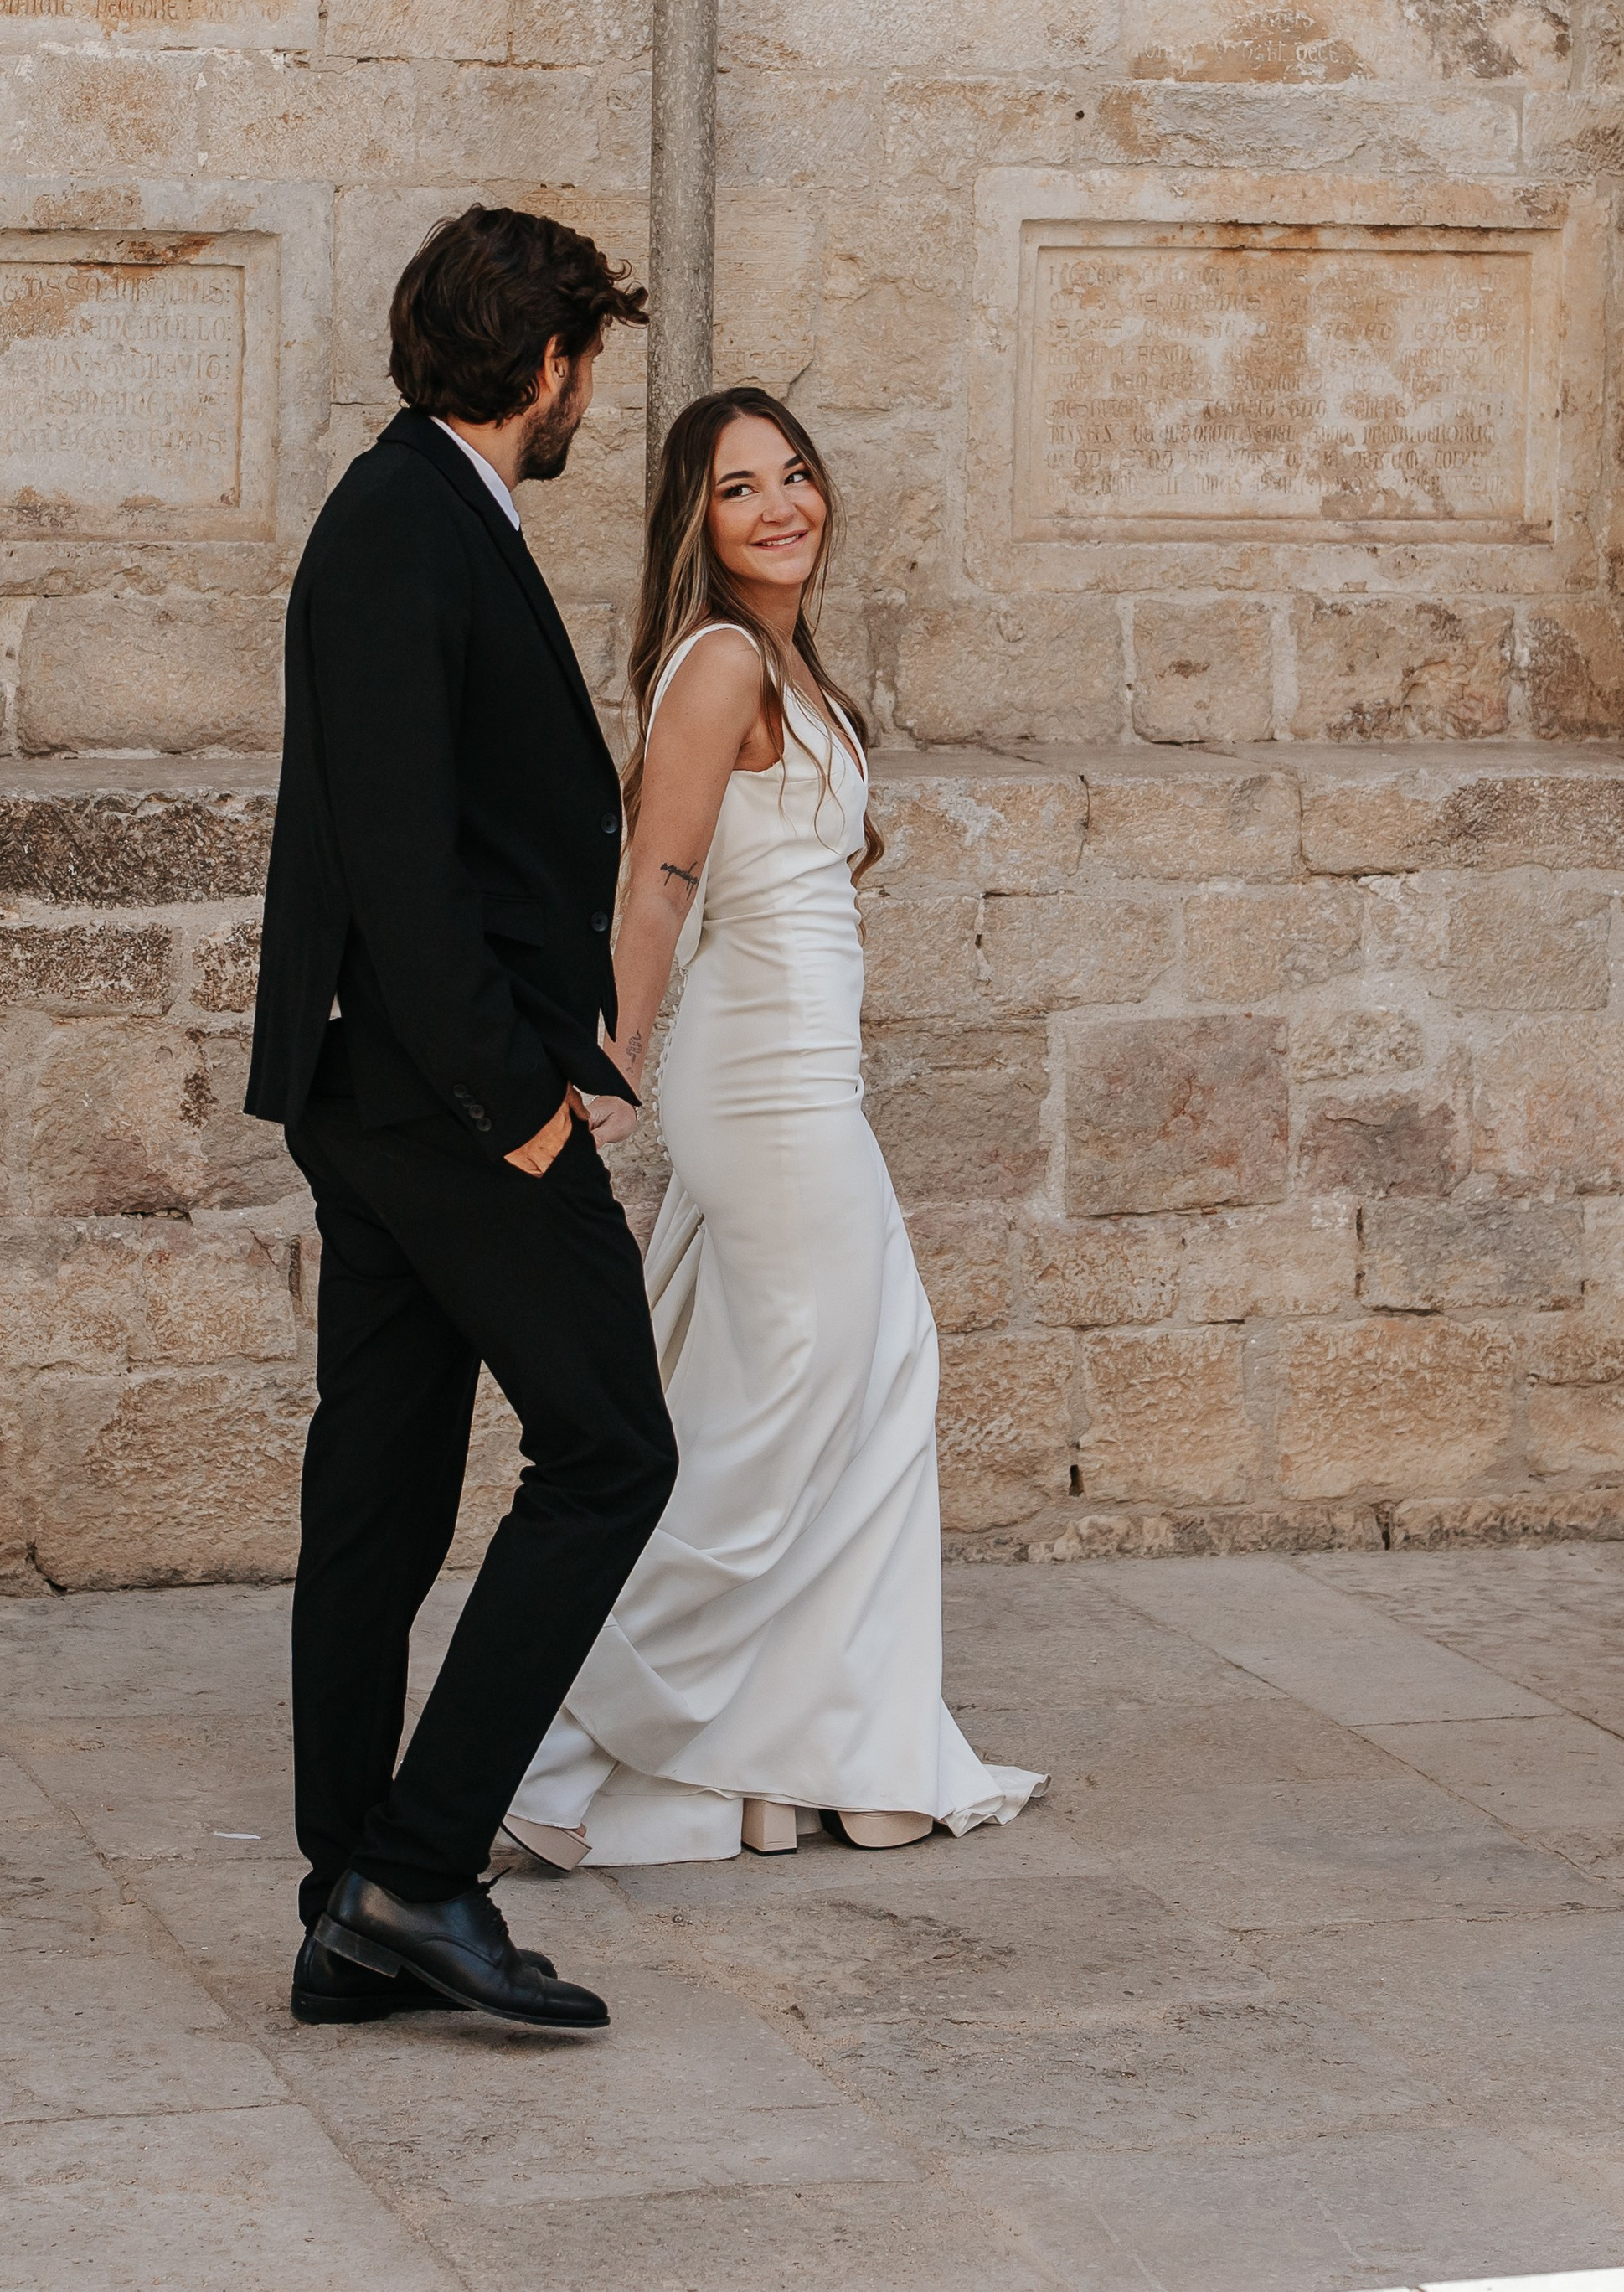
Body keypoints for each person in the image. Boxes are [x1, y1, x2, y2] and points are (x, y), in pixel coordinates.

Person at [502, 386, 1042, 1867]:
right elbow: (656, 887)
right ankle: (541, 1747)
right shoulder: (722, 661)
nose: (780, 507)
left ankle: (814, 1753)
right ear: (699, 519)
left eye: (794, 476)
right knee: (772, 1425)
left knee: (869, 1387)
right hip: (763, 1091)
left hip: (813, 1083)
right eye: (741, 489)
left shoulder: (784, 661)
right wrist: (604, 1070)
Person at [246, 205, 678, 2035]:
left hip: (391, 1087)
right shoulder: (401, 527)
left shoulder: (418, 512)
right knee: (612, 1454)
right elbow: (404, 864)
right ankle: (417, 1872)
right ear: (550, 363)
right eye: (590, 361)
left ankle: (352, 1903)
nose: (589, 397)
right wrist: (514, 1098)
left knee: (384, 1486)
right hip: (442, 1095)